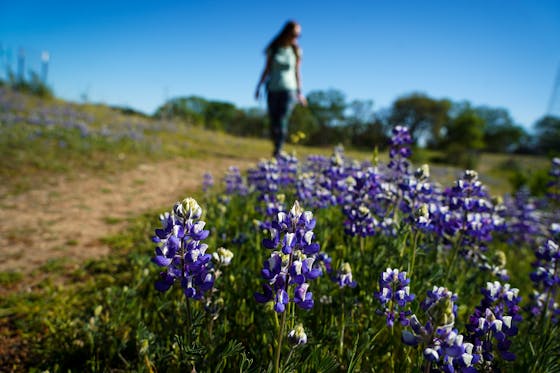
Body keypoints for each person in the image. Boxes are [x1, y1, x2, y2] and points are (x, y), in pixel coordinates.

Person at [255, 20, 307, 157]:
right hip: (272, 88)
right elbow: (266, 70)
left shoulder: (296, 51)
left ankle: (278, 150)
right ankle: (276, 145)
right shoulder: (273, 49)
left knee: (283, 119)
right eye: (294, 34)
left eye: (298, 35)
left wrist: (300, 93)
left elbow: (297, 72)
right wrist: (258, 87)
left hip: (290, 90)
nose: (296, 37)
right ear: (286, 32)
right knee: (274, 122)